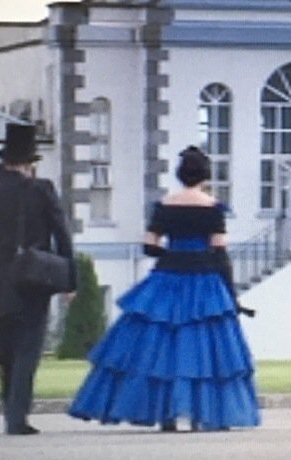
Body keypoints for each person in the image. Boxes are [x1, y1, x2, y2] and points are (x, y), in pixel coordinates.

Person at [68, 145, 260, 431]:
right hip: (204, 280)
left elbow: (149, 245)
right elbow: (219, 253)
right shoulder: (213, 208)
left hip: (167, 278)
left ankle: (166, 415)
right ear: (205, 176)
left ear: (180, 175)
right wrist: (230, 293)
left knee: (160, 346)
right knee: (202, 347)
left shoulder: (164, 205)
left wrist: (173, 254)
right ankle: (200, 415)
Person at [0, 123, 76, 435]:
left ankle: (10, 410)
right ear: (28, 163)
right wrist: (70, 279)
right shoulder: (41, 190)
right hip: (33, 276)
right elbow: (62, 234)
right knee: (28, 347)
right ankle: (17, 417)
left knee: (7, 347)